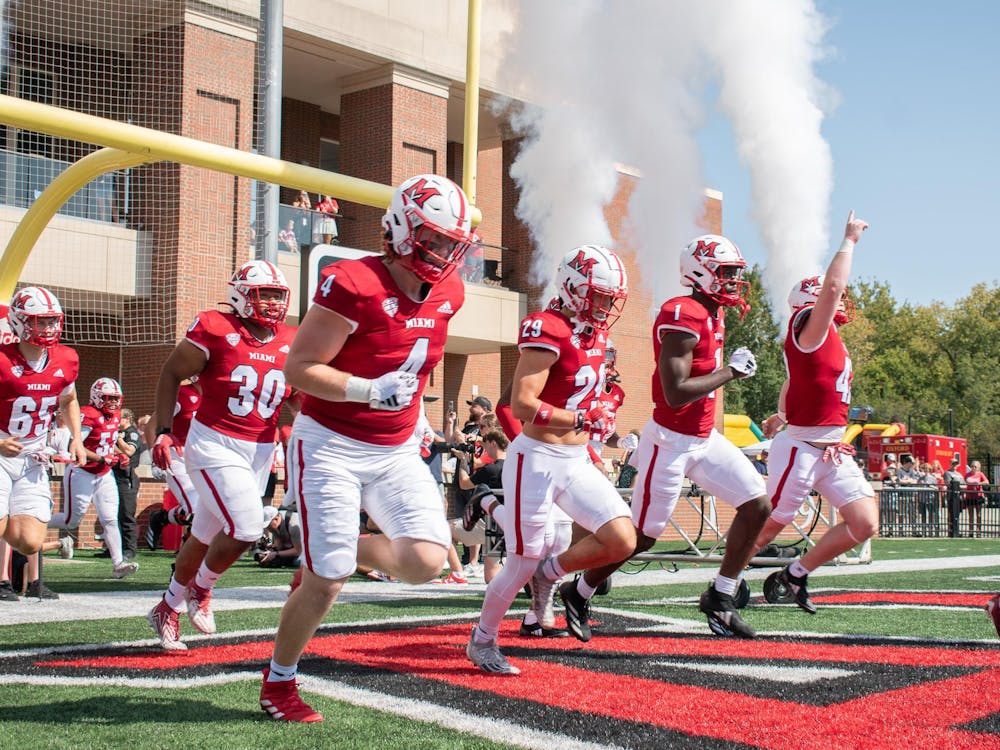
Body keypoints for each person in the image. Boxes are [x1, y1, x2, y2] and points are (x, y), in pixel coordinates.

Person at [261, 173, 478, 722]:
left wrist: (419, 418)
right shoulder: (352, 282)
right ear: (401, 230)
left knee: (428, 561)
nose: (445, 252)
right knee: (327, 579)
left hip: (396, 445)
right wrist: (364, 389)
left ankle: (337, 549)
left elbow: (412, 364)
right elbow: (299, 368)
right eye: (434, 239)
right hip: (331, 441)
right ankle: (279, 681)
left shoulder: (451, 290)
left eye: (454, 242)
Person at [560, 235, 770, 642]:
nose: (733, 282)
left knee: (757, 505)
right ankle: (579, 591)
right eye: (726, 273)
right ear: (699, 271)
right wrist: (731, 372)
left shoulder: (711, 312)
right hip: (669, 441)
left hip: (704, 438)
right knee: (641, 537)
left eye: (734, 274)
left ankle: (721, 597)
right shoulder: (683, 313)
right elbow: (673, 394)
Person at [465, 244, 635, 675]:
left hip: (576, 457)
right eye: (599, 296)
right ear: (575, 288)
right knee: (521, 559)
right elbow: (521, 403)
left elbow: (587, 399)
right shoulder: (549, 327)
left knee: (622, 539)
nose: (606, 306)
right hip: (537, 457)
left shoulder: (593, 333)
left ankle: (552, 572)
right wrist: (581, 414)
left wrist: (605, 426)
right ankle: (483, 640)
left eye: (610, 298)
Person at [146, 260, 296, 651]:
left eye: (279, 295)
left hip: (261, 450)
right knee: (247, 527)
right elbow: (170, 374)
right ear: (241, 295)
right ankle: (202, 587)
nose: (274, 303)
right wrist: (163, 432)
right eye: (265, 295)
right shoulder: (216, 327)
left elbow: (298, 397)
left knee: (203, 534)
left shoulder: (293, 339)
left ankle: (168, 606)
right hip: (215, 442)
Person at [753, 211, 877, 614]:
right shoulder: (809, 325)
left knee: (864, 523)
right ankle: (724, 578)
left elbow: (801, 384)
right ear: (815, 302)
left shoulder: (827, 339)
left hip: (828, 447)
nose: (841, 300)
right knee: (774, 522)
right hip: (803, 447)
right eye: (832, 298)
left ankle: (796, 573)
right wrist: (850, 240)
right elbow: (835, 284)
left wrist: (781, 414)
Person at [1, 288, 87, 581]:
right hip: (1, 451)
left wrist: (77, 437)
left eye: (52, 321)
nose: (48, 328)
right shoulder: (2, 360)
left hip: (33, 457)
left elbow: (69, 399)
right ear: (19, 321)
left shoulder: (66, 359)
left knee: (30, 541)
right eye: (40, 321)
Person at [48, 377, 139, 579]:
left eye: (116, 398)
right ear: (97, 397)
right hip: (82, 472)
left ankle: (118, 564)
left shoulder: (115, 416)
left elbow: (108, 440)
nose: (114, 403)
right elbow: (75, 445)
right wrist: (101, 458)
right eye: (109, 398)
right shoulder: (87, 415)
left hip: (104, 474)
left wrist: (118, 455)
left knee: (109, 518)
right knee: (71, 521)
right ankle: (35, 521)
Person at [144, 376, 202, 550]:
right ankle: (185, 560)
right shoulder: (182, 395)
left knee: (208, 508)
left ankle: (162, 518)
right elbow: (151, 427)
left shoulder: (218, 397)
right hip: (176, 456)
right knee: (195, 508)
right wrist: (153, 458)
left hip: (202, 457)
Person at [112, 407, 143, 561]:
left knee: (126, 514)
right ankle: (114, 548)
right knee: (113, 515)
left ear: (126, 419)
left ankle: (129, 549)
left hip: (127, 477)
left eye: (119, 418)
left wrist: (118, 439)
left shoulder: (132, 433)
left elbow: (129, 451)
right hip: (114, 475)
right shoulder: (118, 433)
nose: (116, 421)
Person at [964, 460, 988, 537]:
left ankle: (978, 530)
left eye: (975, 466)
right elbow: (964, 483)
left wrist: (979, 483)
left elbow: (987, 482)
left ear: (978, 467)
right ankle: (970, 531)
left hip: (978, 496)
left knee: (978, 514)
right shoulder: (967, 475)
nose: (973, 468)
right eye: (972, 466)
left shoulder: (980, 474)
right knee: (970, 514)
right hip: (969, 496)